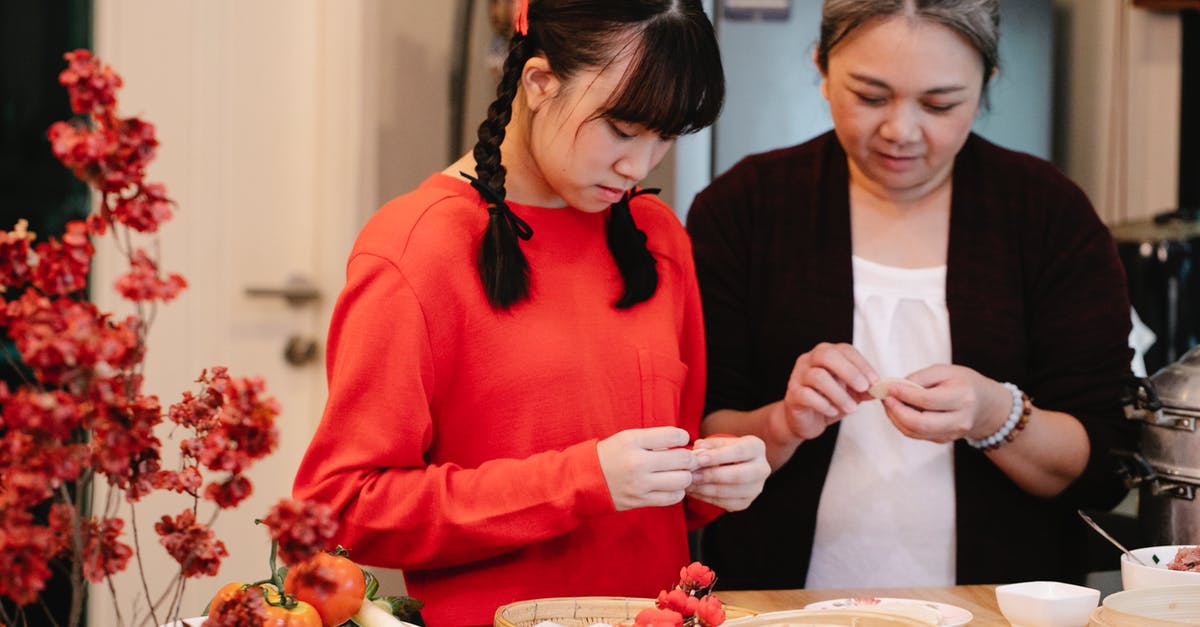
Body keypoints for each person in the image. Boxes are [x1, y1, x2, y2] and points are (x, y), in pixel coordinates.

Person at [292, 1, 770, 624]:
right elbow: (341, 511)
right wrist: (580, 481)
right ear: (539, 83)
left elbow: (662, 489)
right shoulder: (417, 249)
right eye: (623, 130)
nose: (640, 166)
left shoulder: (658, 239)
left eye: (666, 137)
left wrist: (715, 476)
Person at [686, 0, 1137, 590]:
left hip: (1000, 607)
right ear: (822, 68)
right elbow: (700, 443)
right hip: (778, 603)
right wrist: (786, 421)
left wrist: (994, 414)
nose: (900, 131)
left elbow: (1105, 464)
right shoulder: (745, 206)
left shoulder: (1048, 214)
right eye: (870, 97)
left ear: (986, 85)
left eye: (939, 104)